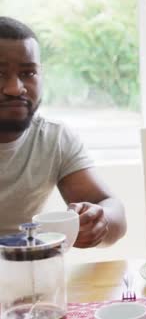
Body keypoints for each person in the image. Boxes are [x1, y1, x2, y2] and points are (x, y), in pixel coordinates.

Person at [0, 17, 126, 248]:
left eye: (28, 73)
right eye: (0, 74)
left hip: (26, 274)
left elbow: (112, 209)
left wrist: (98, 220)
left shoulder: (52, 139)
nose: (15, 88)